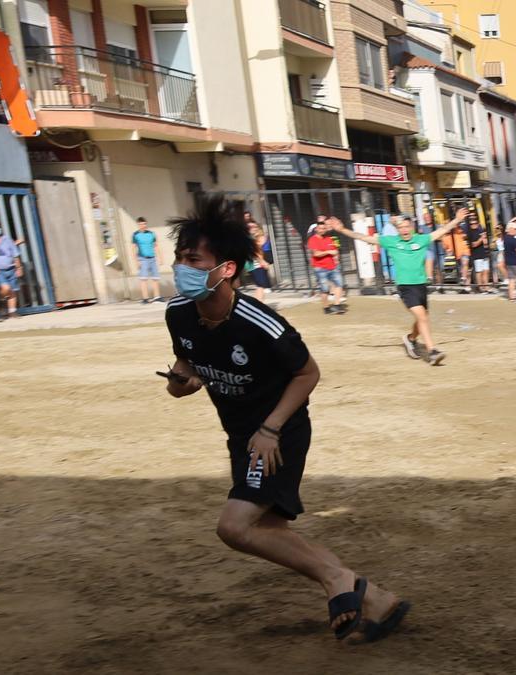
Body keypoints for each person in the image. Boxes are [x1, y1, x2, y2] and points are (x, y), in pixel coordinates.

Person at [163, 195, 409, 644]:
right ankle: (376, 600)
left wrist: (271, 428)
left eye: (193, 259)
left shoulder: (262, 324)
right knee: (268, 530)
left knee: (235, 527)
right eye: (180, 258)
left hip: (280, 432)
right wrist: (182, 379)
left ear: (227, 269)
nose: (182, 267)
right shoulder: (178, 314)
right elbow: (187, 358)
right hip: (240, 436)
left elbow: (307, 373)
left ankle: (338, 580)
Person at [329, 208, 469, 366]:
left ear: (412, 227)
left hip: (420, 285)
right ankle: (432, 351)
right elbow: (363, 237)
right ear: (397, 229)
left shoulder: (421, 240)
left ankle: (410, 339)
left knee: (422, 318)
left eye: (406, 226)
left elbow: (442, 230)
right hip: (405, 287)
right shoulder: (391, 242)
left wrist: (457, 219)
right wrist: (342, 229)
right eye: (401, 227)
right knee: (422, 317)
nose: (404, 230)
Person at [306, 219, 345, 315]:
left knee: (339, 284)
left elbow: (335, 250)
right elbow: (316, 254)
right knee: (325, 289)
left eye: (324, 228)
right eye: (320, 228)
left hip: (332, 266)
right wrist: (328, 252)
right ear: (316, 229)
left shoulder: (329, 238)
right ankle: (326, 307)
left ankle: (337, 305)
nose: (322, 230)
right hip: (320, 268)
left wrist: (336, 257)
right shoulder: (312, 240)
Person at [0, 219, 24, 321]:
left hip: (11, 268)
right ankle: (2, 300)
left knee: (13, 290)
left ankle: (12, 311)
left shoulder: (7, 239)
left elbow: (15, 253)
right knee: (6, 288)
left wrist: (19, 267)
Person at [131, 217, 165, 304]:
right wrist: (136, 261)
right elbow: (133, 248)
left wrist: (160, 258)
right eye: (141, 224)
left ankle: (157, 296)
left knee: (155, 278)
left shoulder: (151, 234)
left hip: (152, 258)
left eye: (144, 224)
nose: (143, 225)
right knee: (143, 279)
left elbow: (156, 245)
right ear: (138, 225)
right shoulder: (135, 235)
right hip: (142, 259)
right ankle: (145, 298)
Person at [464, 213, 491, 294]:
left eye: (476, 222)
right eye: (473, 223)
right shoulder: (470, 233)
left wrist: (485, 240)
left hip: (484, 253)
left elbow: (485, 243)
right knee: (479, 272)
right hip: (476, 255)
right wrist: (481, 239)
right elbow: (473, 244)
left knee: (486, 271)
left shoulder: (480, 230)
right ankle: (480, 288)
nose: (475, 224)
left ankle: (486, 287)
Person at [443, 218, 472, 293]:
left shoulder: (456, 230)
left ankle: (463, 279)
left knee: (465, 263)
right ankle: (467, 287)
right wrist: (448, 251)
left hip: (465, 251)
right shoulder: (445, 238)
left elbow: (457, 223)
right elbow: (446, 248)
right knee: (465, 271)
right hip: (457, 255)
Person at [246, 225, 273, 302]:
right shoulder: (252, 239)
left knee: (259, 286)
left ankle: (256, 304)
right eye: (251, 228)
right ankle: (260, 304)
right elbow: (255, 253)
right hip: (256, 265)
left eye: (254, 227)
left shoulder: (253, 238)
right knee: (261, 286)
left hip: (253, 266)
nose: (253, 229)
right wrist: (263, 262)